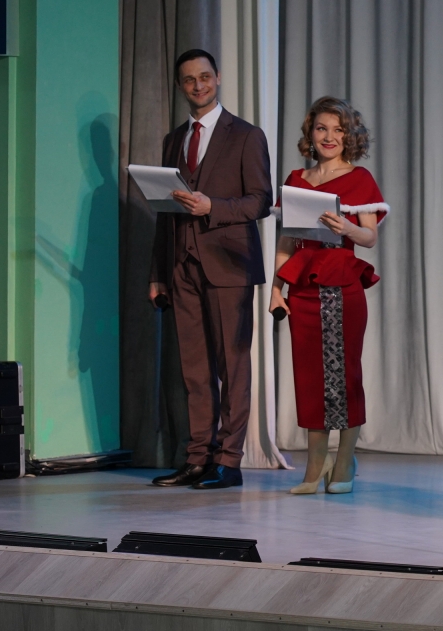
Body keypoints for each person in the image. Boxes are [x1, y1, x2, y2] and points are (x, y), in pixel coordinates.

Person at [148, 49, 273, 490]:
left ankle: (229, 461)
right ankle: (198, 457)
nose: (198, 85)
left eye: (204, 77)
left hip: (228, 265)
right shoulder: (173, 140)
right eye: (189, 80)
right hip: (181, 266)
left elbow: (260, 201)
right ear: (180, 86)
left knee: (232, 367)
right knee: (194, 368)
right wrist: (158, 272)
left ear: (217, 78)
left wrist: (212, 207)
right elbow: (164, 210)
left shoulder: (247, 135)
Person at [270, 97, 388, 495]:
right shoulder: (296, 179)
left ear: (349, 136)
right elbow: (286, 240)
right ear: (311, 132)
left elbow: (369, 237)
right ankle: (314, 466)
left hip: (342, 282)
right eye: (322, 128)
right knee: (309, 378)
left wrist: (346, 228)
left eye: (338, 130)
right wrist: (276, 289)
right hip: (303, 287)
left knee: (345, 376)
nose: (329, 137)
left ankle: (344, 462)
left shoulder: (360, 178)